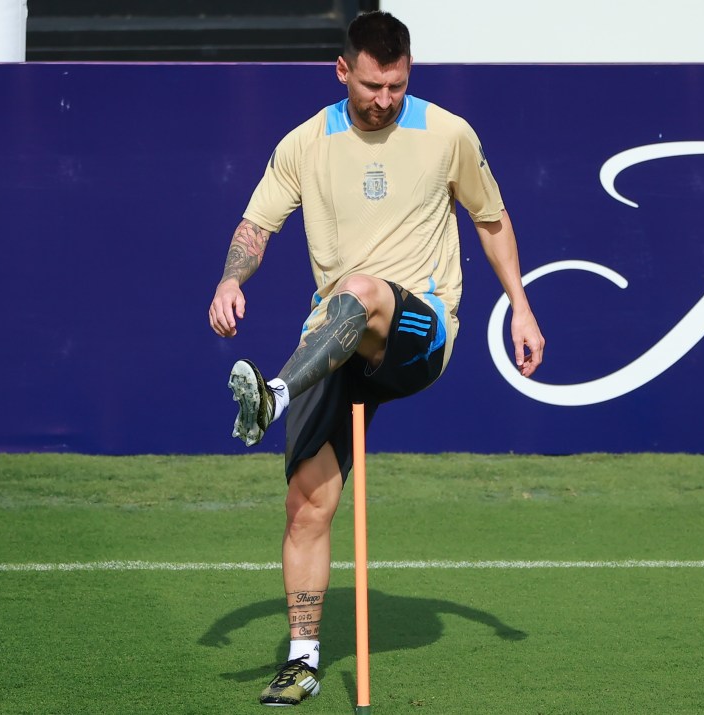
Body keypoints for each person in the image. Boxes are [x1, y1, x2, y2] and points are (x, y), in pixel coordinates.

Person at [208, 10, 544, 707]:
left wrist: (521, 304)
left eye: (396, 84)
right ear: (343, 72)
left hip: (419, 332)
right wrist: (231, 278)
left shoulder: (448, 133)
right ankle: (302, 661)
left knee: (361, 288)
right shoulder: (304, 143)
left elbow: (491, 219)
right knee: (307, 504)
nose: (384, 99)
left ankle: (272, 392)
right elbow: (256, 224)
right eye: (371, 85)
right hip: (334, 342)